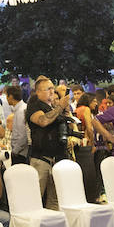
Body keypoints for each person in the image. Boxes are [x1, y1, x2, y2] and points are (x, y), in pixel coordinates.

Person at [25, 77, 69, 209]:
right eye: (48, 89)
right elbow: (43, 121)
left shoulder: (54, 107)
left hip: (57, 158)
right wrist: (60, 106)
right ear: (38, 92)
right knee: (35, 199)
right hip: (41, 159)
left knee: (55, 200)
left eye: (52, 88)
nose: (52, 91)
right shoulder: (34, 106)